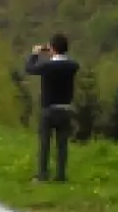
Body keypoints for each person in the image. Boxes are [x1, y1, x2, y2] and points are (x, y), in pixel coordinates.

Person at [25, 34, 80, 182]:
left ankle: (43, 174)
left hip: (49, 109)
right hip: (66, 109)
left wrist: (34, 54)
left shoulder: (48, 66)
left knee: (45, 144)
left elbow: (29, 68)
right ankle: (61, 175)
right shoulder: (72, 66)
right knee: (62, 145)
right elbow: (70, 62)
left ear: (52, 48)